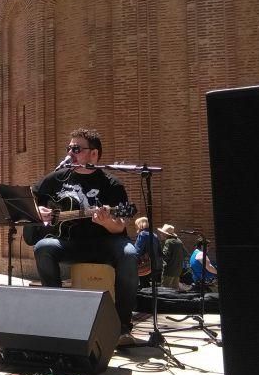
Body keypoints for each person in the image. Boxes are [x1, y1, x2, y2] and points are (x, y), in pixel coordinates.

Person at [32, 128, 138, 345]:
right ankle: (56, 318)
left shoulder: (111, 184)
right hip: (68, 243)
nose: (71, 153)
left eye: (77, 149)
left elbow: (120, 227)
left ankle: (122, 327)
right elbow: (31, 197)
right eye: (69, 148)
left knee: (129, 253)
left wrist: (108, 221)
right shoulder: (57, 178)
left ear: (94, 154)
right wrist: (38, 211)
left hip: (104, 243)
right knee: (43, 247)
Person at [157, 224, 187, 289]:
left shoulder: (168, 242)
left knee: (165, 290)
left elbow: (165, 255)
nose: (161, 234)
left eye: (162, 233)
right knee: (175, 290)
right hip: (178, 270)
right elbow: (185, 254)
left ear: (166, 234)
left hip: (168, 270)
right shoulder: (179, 241)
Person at [133, 216, 159, 288]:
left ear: (139, 224)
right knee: (149, 286)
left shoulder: (142, 234)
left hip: (143, 264)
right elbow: (159, 251)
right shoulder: (154, 235)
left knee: (143, 285)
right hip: (153, 264)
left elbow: (137, 251)